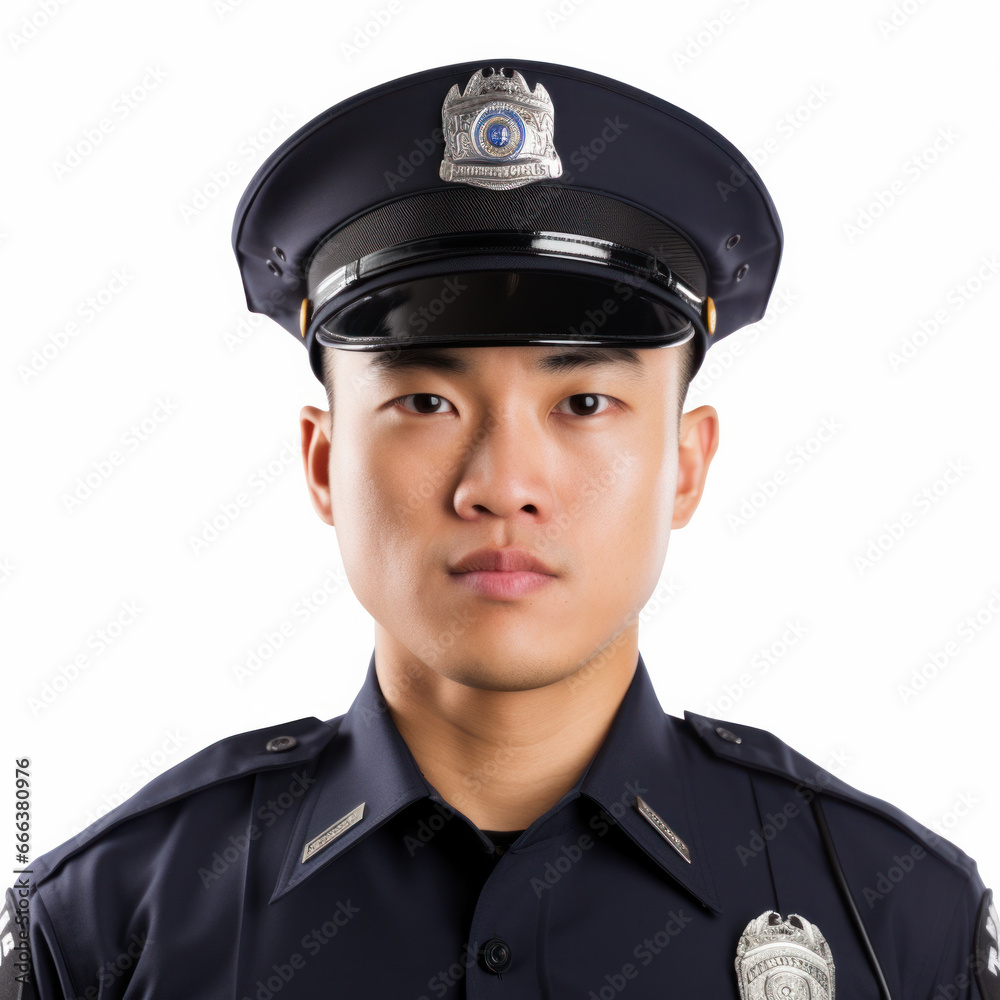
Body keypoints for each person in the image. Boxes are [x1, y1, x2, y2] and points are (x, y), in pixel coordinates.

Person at [2, 57, 995, 1000]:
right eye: (426, 402)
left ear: (686, 464)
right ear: (323, 461)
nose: (503, 485)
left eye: (585, 404)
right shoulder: (106, 923)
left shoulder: (897, 916)